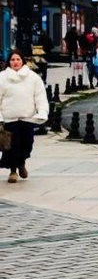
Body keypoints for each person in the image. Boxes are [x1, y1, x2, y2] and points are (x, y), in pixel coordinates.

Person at [0, 51, 48, 183]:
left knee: (27, 144)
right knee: (12, 146)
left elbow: (40, 97)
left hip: (27, 118)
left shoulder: (33, 78)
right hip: (9, 118)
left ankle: (22, 163)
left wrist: (42, 111)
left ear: (22, 61)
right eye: (13, 60)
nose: (15, 62)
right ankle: (13, 171)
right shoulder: (2, 78)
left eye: (18, 59)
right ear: (9, 62)